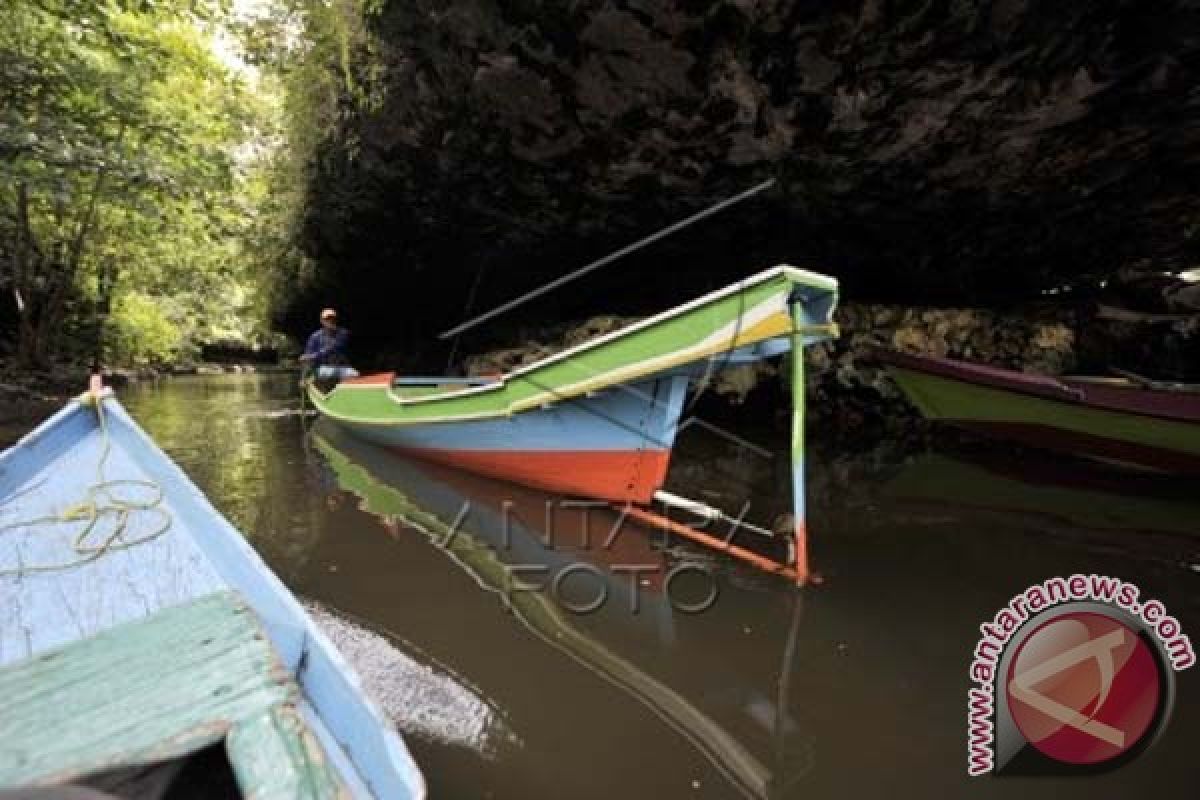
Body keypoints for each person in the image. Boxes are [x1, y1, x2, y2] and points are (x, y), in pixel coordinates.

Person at [300, 308, 358, 385]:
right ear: (322, 321)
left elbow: (332, 348)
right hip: (323, 368)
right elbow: (306, 359)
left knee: (354, 374)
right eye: (327, 319)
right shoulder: (315, 336)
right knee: (324, 372)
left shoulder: (343, 333)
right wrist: (303, 378)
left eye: (333, 318)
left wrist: (312, 356)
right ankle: (311, 379)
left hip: (341, 367)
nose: (330, 321)